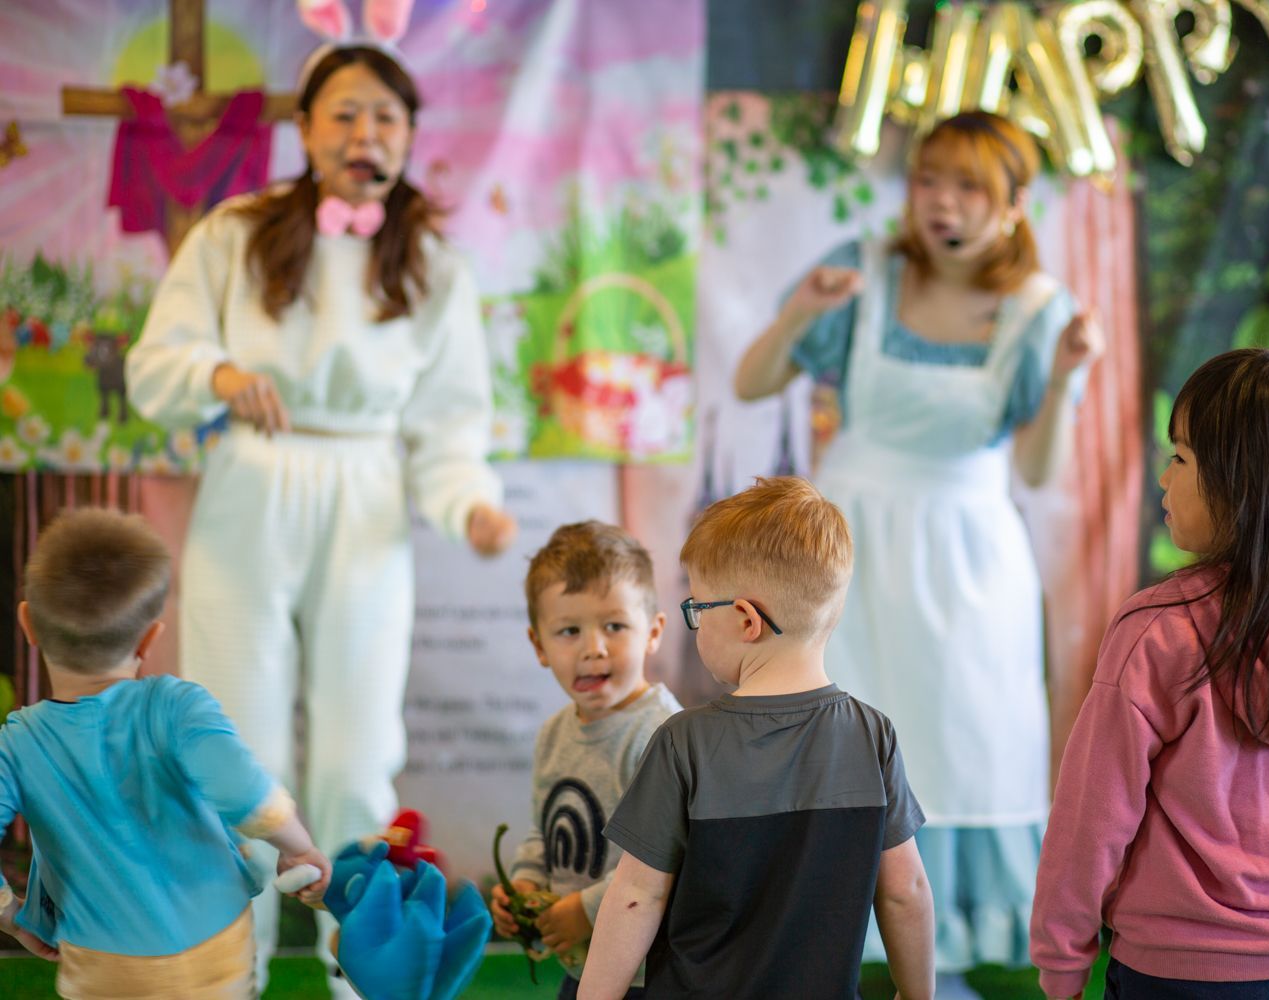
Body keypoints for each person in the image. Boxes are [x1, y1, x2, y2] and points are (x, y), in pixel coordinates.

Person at [124, 41, 515, 992]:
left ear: (410, 136)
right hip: (251, 482)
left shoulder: (431, 262)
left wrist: (471, 505)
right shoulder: (235, 230)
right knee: (237, 735)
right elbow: (156, 364)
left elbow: (451, 422)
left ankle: (359, 970)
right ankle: (231, 964)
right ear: (304, 128)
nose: (364, 133)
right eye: (343, 113)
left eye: (385, 116)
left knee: (358, 743)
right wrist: (216, 375)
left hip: (367, 490)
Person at [733, 110, 1103, 994]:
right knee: (838, 725)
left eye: (967, 186)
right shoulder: (862, 267)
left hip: (969, 551)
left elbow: (1040, 468)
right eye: (929, 180)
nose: (941, 202)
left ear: (1013, 205)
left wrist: (1060, 380)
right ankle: (827, 925)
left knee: (960, 735)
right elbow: (753, 382)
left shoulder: (1040, 310)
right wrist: (799, 313)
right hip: (845, 543)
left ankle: (939, 940)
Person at [1030, 349, 1269, 1000]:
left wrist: (1062, 958)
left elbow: (1092, 816)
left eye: (1181, 458)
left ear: (1240, 482)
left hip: (1175, 966)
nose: (1163, 480)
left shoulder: (1158, 628)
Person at [576, 476, 935, 1000]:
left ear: (745, 619)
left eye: (697, 609)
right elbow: (906, 892)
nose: (694, 625)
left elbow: (636, 897)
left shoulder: (685, 744)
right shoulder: (871, 736)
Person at [0, 508, 331, 999]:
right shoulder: (179, 706)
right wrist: (299, 848)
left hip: (100, 960)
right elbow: (250, 798)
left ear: (27, 621)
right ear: (151, 636)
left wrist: (9, 913)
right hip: (214, 941)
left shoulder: (17, 745)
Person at [489, 521, 683, 999]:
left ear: (653, 632)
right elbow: (545, 832)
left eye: (615, 626)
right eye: (569, 631)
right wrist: (525, 885)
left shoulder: (664, 735)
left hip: (652, 973)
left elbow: (674, 860)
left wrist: (586, 910)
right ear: (539, 645)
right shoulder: (555, 734)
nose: (594, 648)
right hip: (582, 967)